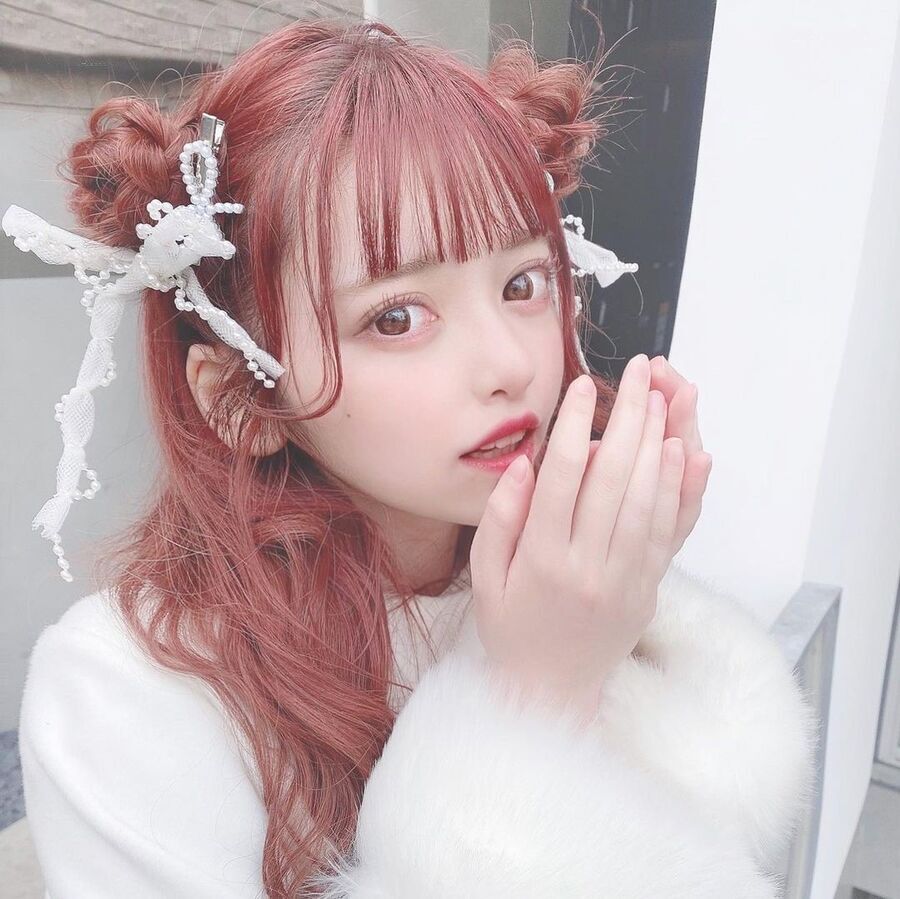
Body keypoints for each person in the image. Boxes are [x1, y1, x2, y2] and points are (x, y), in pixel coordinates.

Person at [10, 15, 819, 898]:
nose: (511, 363)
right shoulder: (129, 692)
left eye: (522, 283)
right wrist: (534, 696)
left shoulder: (568, 587)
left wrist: (632, 612)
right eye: (396, 317)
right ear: (241, 398)